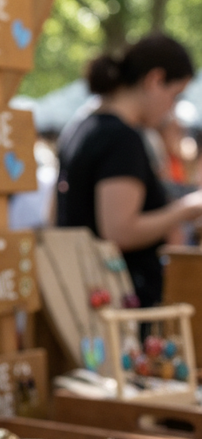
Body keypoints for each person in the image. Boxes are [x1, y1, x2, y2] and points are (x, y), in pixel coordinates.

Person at [57, 34, 202, 306]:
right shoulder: (122, 138)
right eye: (175, 95)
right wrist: (187, 209)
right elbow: (119, 231)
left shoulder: (80, 128)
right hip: (121, 300)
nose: (173, 108)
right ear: (155, 80)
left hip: (84, 293)